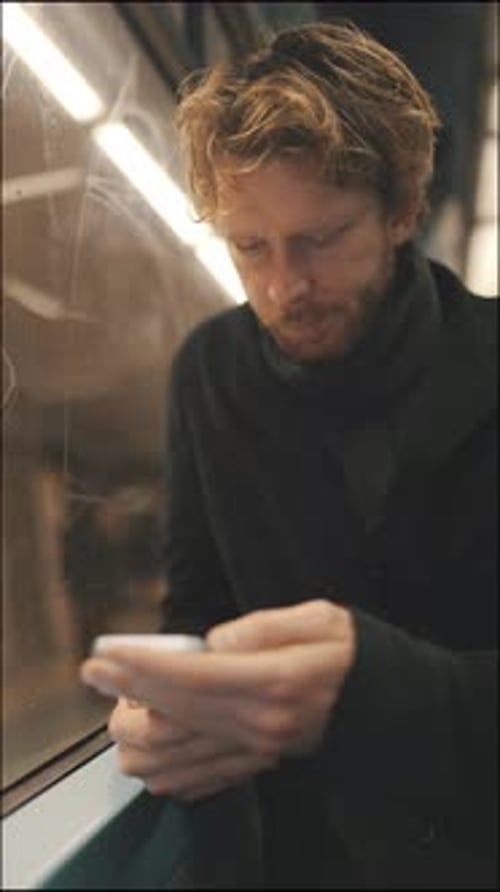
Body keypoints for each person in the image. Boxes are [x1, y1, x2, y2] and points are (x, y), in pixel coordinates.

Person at [81, 20, 498, 890]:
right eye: (249, 247)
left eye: (322, 238)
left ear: (404, 209)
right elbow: (197, 604)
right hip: (294, 861)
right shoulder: (208, 372)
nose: (283, 287)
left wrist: (378, 690)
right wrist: (163, 704)